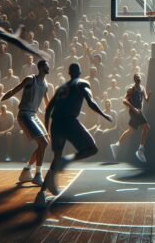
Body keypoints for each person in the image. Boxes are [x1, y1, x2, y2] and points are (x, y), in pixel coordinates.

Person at [35, 63, 112, 207]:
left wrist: (47, 129)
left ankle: (41, 194)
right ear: (81, 71)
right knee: (92, 149)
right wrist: (104, 114)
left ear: (69, 73)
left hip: (56, 123)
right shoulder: (83, 83)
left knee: (56, 159)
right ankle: (67, 161)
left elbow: (48, 110)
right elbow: (91, 101)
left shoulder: (61, 88)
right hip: (69, 122)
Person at [0, 59, 50, 185]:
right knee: (43, 142)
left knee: (45, 143)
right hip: (24, 114)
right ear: (41, 68)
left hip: (33, 115)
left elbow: (47, 103)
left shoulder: (45, 84)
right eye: (47, 65)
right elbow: (13, 91)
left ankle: (27, 170)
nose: (49, 67)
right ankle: (38, 175)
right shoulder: (30, 79)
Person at [110, 73, 150, 163]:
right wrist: (133, 108)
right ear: (134, 80)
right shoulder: (131, 89)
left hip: (139, 111)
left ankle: (116, 145)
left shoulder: (142, 88)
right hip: (134, 112)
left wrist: (149, 95)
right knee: (147, 127)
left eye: (139, 77)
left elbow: (146, 99)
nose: (138, 79)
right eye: (137, 78)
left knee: (131, 130)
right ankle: (140, 150)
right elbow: (124, 100)